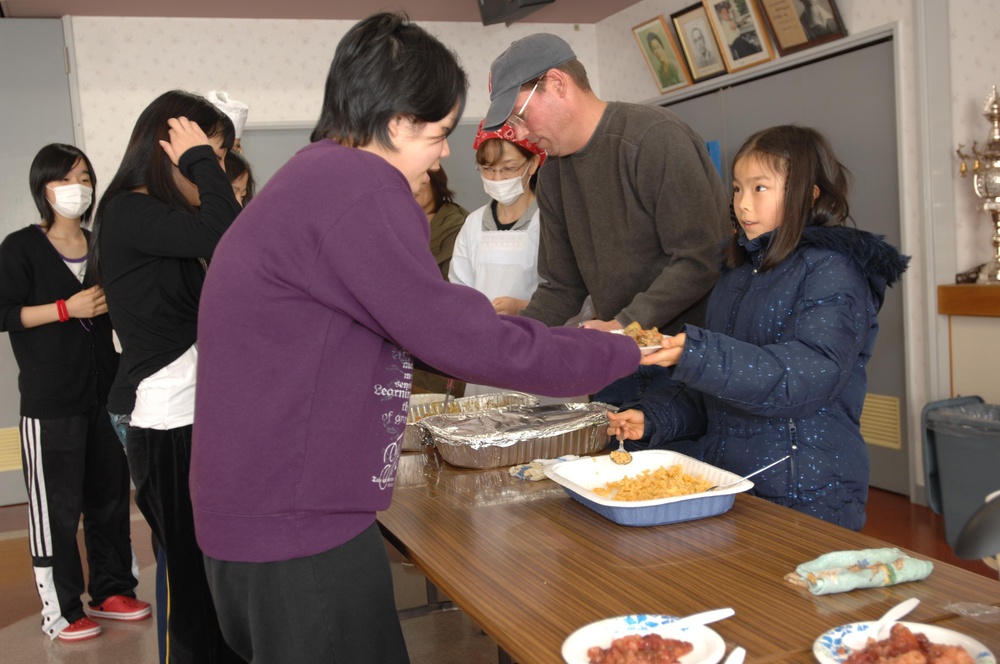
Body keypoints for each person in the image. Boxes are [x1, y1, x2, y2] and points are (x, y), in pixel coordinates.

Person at [188, 12, 640, 664]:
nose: (445, 152)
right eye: (439, 131)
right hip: (295, 526)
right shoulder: (359, 188)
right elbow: (455, 335)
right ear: (398, 122)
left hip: (260, 515)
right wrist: (615, 350)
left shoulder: (311, 177)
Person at [607, 125, 909, 531]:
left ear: (809, 193)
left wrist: (695, 353)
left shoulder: (834, 271)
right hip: (731, 480)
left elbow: (804, 375)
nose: (742, 205)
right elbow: (718, 386)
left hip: (808, 491)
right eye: (736, 189)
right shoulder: (735, 274)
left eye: (760, 188)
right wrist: (654, 417)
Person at [482, 33, 730, 405]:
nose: (519, 132)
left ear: (557, 84)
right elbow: (562, 287)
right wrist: (512, 341)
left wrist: (622, 324)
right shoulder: (551, 176)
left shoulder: (653, 138)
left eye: (519, 114)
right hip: (621, 361)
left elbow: (701, 258)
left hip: (692, 357)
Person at [91, 90, 243, 663]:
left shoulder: (162, 220)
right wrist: (200, 160)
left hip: (194, 412)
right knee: (190, 583)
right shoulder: (131, 210)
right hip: (167, 419)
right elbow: (225, 231)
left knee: (212, 575)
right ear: (170, 151)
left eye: (222, 155)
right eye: (210, 153)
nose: (218, 167)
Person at [0, 144, 150, 642]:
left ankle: (111, 589)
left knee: (109, 498)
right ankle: (61, 611)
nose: (79, 187)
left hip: (104, 398)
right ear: (45, 187)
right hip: (51, 402)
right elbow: (5, 314)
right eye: (68, 178)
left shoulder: (101, 245)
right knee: (56, 510)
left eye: (85, 176)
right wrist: (66, 308)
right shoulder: (20, 248)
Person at [417, 166, 468, 280]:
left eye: (422, 183)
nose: (414, 189)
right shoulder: (392, 221)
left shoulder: (458, 224)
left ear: (436, 184)